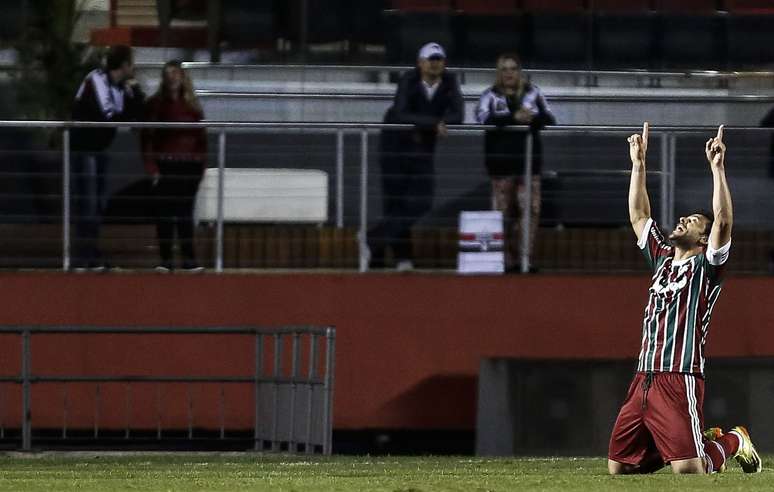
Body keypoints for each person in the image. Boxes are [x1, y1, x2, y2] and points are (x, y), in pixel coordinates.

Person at [607, 123, 760, 475]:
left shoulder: (707, 269)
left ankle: (733, 440)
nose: (681, 221)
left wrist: (717, 168)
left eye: (691, 222)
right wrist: (639, 165)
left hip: (680, 377)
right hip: (644, 376)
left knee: (691, 471)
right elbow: (639, 215)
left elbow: (722, 219)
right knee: (620, 469)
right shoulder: (661, 257)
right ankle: (689, 442)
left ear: (704, 240)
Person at [369, 42, 464, 271]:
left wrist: (438, 122)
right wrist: (434, 123)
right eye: (430, 59)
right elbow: (400, 113)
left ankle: (373, 240)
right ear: (420, 63)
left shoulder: (450, 82)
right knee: (395, 204)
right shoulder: (408, 80)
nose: (435, 64)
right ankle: (394, 257)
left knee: (422, 201)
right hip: (394, 146)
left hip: (421, 148)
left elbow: (458, 114)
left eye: (439, 59)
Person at [475, 53, 555, 273]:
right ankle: (504, 260)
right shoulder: (489, 95)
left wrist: (532, 118)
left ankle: (525, 260)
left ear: (519, 71)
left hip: (529, 167)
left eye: (513, 69)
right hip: (500, 168)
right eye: (504, 69)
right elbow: (482, 118)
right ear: (498, 73)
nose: (509, 73)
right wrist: (513, 118)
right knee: (501, 214)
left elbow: (549, 118)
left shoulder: (533, 92)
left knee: (530, 212)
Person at [71, 45, 145, 271]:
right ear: (123, 65)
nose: (134, 68)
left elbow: (135, 118)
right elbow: (109, 115)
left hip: (101, 149)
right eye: (131, 63)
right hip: (85, 149)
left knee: (98, 203)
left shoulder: (123, 87)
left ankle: (90, 253)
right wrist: (127, 110)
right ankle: (82, 256)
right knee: (89, 202)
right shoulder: (96, 79)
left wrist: (136, 93)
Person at [141, 61, 207, 272]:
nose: (172, 78)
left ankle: (189, 261)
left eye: (176, 73)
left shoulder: (193, 106)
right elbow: (147, 138)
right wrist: (151, 167)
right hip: (165, 164)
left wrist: (200, 164)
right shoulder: (156, 104)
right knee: (165, 213)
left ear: (183, 77)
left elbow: (202, 138)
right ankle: (166, 260)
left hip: (189, 165)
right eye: (168, 74)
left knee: (185, 213)